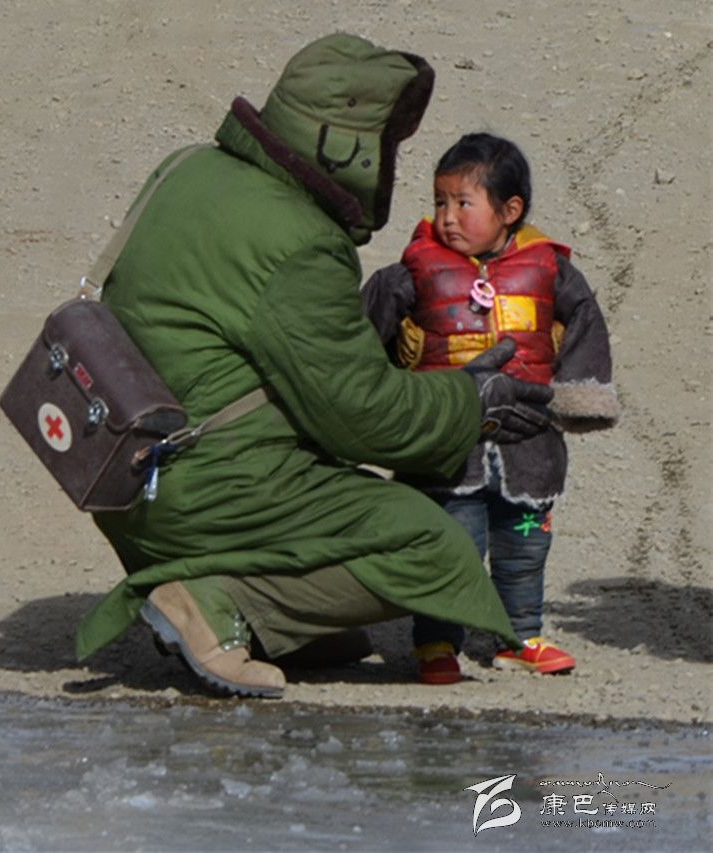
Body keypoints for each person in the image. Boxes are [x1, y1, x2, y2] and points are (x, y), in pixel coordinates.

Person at [74, 36, 556, 699]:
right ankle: (220, 603)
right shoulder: (298, 242)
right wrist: (471, 402)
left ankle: (277, 615)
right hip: (201, 489)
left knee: (325, 472)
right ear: (343, 143)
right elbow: (362, 416)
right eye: (384, 145)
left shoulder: (187, 167)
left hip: (122, 467)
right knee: (436, 543)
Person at [362, 132, 620, 685]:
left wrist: (579, 397)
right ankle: (436, 642)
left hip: (528, 442)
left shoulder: (549, 268)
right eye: (440, 201)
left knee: (525, 542)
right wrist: (373, 394)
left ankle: (519, 636)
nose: (447, 217)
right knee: (450, 544)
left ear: (510, 210)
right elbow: (365, 329)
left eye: (463, 203)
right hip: (445, 441)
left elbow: (585, 320)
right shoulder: (415, 270)